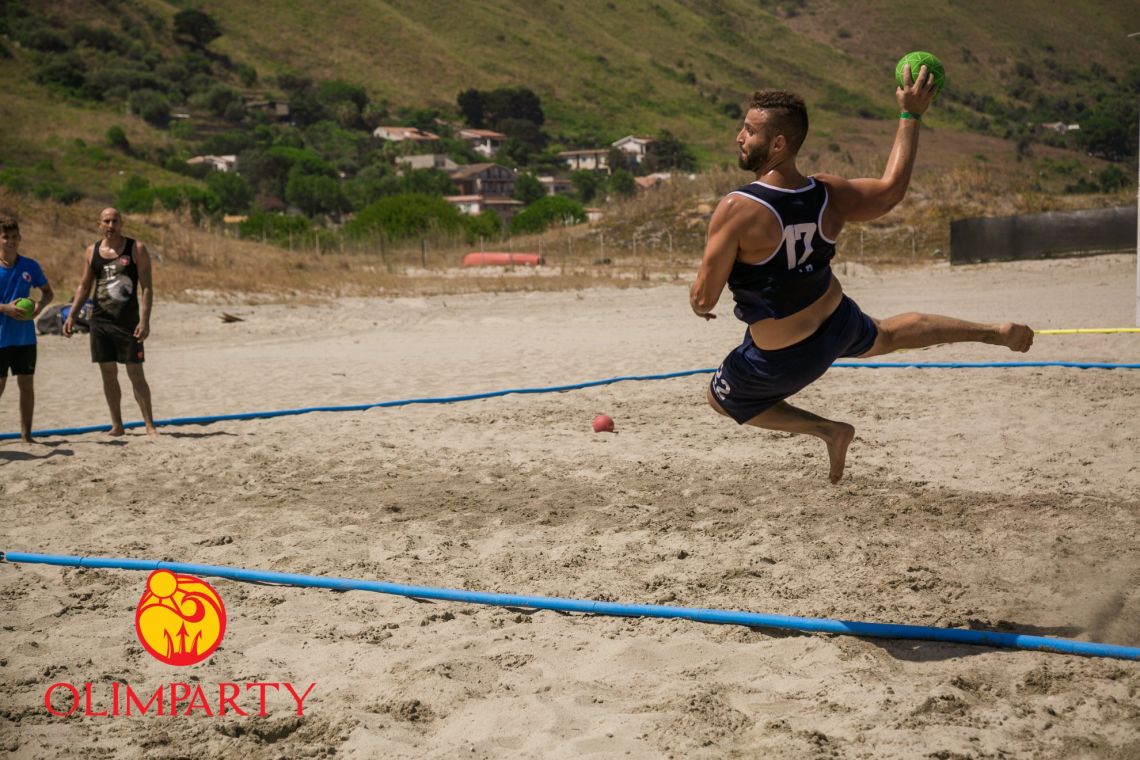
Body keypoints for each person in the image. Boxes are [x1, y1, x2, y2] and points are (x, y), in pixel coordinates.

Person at [690, 69, 1033, 484]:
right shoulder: (828, 192)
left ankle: (828, 430)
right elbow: (891, 190)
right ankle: (993, 332)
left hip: (787, 356)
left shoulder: (738, 207)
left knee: (719, 398)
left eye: (748, 130)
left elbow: (704, 300)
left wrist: (699, 299)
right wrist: (911, 115)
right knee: (885, 334)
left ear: (778, 143)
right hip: (837, 321)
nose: (739, 137)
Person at [63, 207, 158, 437]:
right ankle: (117, 425)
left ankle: (149, 426)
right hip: (100, 322)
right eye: (106, 221)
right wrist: (72, 315)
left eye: (115, 221)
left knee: (136, 374)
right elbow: (84, 286)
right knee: (108, 374)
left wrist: (144, 321)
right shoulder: (92, 251)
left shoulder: (136, 248)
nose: (111, 225)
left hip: (128, 323)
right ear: (99, 224)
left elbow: (146, 287)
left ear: (121, 223)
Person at [0, 216, 54, 442]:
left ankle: (26, 436)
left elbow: (48, 292)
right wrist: (5, 308)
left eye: (14, 237)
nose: (10, 241)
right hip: (1, 338)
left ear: (20, 238)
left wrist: (39, 308)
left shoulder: (30, 266)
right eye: (5, 237)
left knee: (26, 385)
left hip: (25, 338)